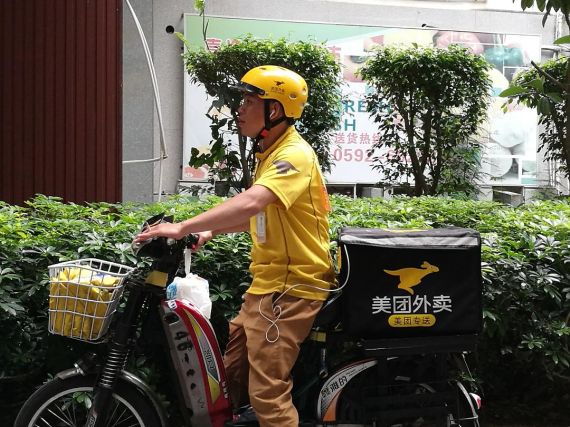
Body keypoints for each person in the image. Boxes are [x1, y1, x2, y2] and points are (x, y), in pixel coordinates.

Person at [134, 65, 335, 427]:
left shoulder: (295, 156)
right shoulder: (270, 152)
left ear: (274, 110)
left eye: (249, 101)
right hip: (268, 287)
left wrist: (182, 226)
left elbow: (254, 202)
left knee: (268, 396)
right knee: (230, 380)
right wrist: (210, 232)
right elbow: (262, 216)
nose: (239, 109)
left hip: (292, 289)